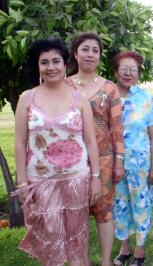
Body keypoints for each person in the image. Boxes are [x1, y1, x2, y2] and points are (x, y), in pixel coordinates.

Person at [13, 38, 100, 266]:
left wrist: (96, 178)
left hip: (77, 179)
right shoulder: (26, 98)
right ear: (38, 66)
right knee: (51, 240)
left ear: (64, 63)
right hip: (41, 181)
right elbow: (20, 143)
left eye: (56, 61)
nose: (50, 67)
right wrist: (21, 182)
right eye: (44, 62)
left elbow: (90, 140)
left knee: (78, 237)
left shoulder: (79, 98)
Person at [67, 32, 125, 266]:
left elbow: (117, 128)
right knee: (75, 213)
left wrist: (119, 160)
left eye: (95, 51)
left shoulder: (110, 88)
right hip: (71, 160)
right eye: (85, 49)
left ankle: (105, 260)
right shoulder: (64, 85)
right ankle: (81, 260)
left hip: (104, 160)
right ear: (75, 53)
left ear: (100, 56)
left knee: (104, 211)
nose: (90, 54)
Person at [111, 51, 153, 266]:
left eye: (133, 70)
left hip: (140, 165)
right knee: (119, 205)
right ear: (116, 71)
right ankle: (124, 247)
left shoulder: (147, 99)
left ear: (139, 73)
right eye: (124, 69)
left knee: (141, 205)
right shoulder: (107, 97)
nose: (128, 73)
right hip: (113, 164)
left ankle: (139, 249)